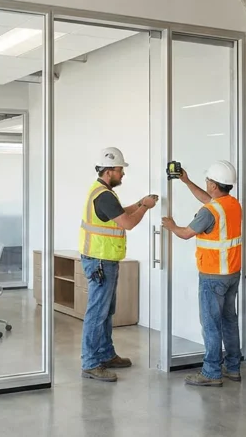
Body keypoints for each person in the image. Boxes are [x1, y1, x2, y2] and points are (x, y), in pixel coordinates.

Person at [79, 147, 157, 382]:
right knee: (97, 313)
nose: (123, 174)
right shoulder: (103, 195)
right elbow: (127, 223)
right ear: (109, 171)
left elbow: (120, 213)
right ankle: (91, 363)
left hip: (104, 260)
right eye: (120, 170)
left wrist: (139, 202)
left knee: (106, 311)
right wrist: (145, 207)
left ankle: (105, 354)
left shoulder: (103, 192)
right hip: (100, 261)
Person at [161, 160, 241, 388]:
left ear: (214, 185)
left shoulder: (209, 212)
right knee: (229, 321)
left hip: (213, 275)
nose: (206, 183)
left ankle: (211, 372)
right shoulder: (232, 204)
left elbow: (186, 233)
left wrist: (171, 225)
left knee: (211, 324)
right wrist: (186, 181)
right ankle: (233, 368)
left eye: (207, 180)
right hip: (231, 273)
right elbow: (209, 201)